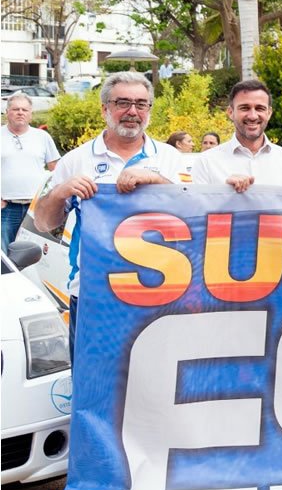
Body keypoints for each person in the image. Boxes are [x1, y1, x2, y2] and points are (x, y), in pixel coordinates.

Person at [32, 73, 185, 324]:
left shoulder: (171, 158)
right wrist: (61, 192)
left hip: (161, 292)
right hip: (93, 295)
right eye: (122, 103)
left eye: (141, 104)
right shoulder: (77, 159)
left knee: (149, 365)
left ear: (149, 109)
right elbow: (43, 224)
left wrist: (158, 181)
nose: (132, 111)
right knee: (91, 365)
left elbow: (194, 216)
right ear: (105, 109)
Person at [191, 79, 282, 191]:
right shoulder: (206, 162)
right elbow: (198, 211)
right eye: (245, 108)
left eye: (260, 108)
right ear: (231, 112)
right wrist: (224, 192)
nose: (253, 116)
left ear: (269, 113)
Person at [2, 93, 59, 254]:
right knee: (6, 255)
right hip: (7, 208)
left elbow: (56, 168)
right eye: (16, 109)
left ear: (30, 114)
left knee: (36, 254)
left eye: (24, 110)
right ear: (7, 112)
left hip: (36, 208)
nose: (20, 112)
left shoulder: (42, 137)